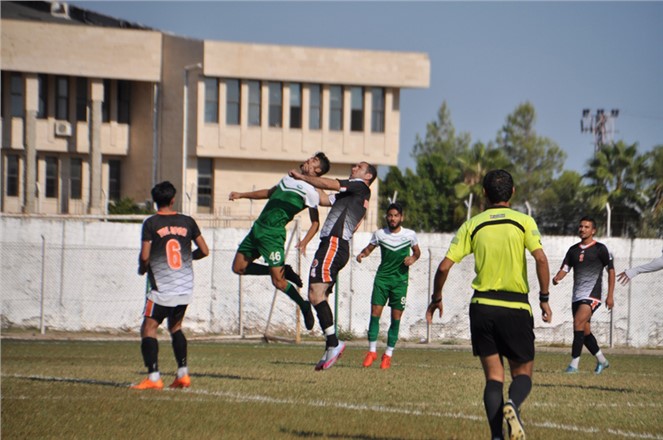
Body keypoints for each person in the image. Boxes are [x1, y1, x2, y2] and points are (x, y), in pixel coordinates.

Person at [426, 169, 551, 440]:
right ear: (513, 192)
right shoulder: (523, 221)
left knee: (494, 377)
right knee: (522, 374)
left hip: (482, 307)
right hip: (515, 306)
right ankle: (513, 405)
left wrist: (436, 298)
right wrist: (544, 298)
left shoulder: (473, 224)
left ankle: (496, 437)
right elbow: (541, 259)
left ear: (483, 193)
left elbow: (444, 266)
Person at [289, 161, 377, 371]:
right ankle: (331, 345)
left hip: (334, 243)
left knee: (315, 294)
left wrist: (302, 177)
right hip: (333, 244)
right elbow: (322, 197)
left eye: (359, 166)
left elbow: (331, 184)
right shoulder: (351, 194)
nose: (354, 167)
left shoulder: (360, 187)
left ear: (367, 177)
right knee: (320, 295)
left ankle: (333, 343)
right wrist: (310, 179)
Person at [229, 153, 331, 331]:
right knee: (238, 267)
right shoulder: (288, 178)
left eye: (313, 160)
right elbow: (269, 193)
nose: (308, 159)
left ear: (317, 170)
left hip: (273, 236)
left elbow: (316, 223)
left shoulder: (312, 192)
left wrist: (305, 242)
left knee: (279, 282)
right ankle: (282, 270)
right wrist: (242, 194)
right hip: (258, 228)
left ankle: (304, 305)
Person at [132, 181, 209, 390]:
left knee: (149, 327)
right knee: (175, 327)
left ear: (155, 201)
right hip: (184, 287)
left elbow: (145, 256)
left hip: (161, 290)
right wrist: (187, 258)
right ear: (173, 199)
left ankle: (154, 377)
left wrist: (142, 268)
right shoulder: (188, 221)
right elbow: (204, 250)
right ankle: (182, 375)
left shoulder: (151, 223)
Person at [356, 202, 420, 369]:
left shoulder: (410, 235)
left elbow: (417, 252)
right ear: (387, 217)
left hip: (400, 282)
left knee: (395, 319)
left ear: (401, 217)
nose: (392, 218)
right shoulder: (380, 234)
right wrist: (363, 254)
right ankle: (371, 351)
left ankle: (388, 354)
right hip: (382, 279)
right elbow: (370, 248)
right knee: (375, 314)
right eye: (390, 215)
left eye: (395, 215)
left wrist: (412, 259)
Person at [552, 216, 615, 375]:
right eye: (581, 226)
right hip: (577, 296)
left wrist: (610, 295)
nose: (583, 229)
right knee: (585, 332)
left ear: (593, 230)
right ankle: (602, 361)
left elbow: (611, 271)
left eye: (587, 227)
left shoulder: (601, 249)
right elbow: (565, 268)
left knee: (578, 322)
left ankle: (573, 365)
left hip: (592, 295)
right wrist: (557, 277)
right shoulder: (573, 250)